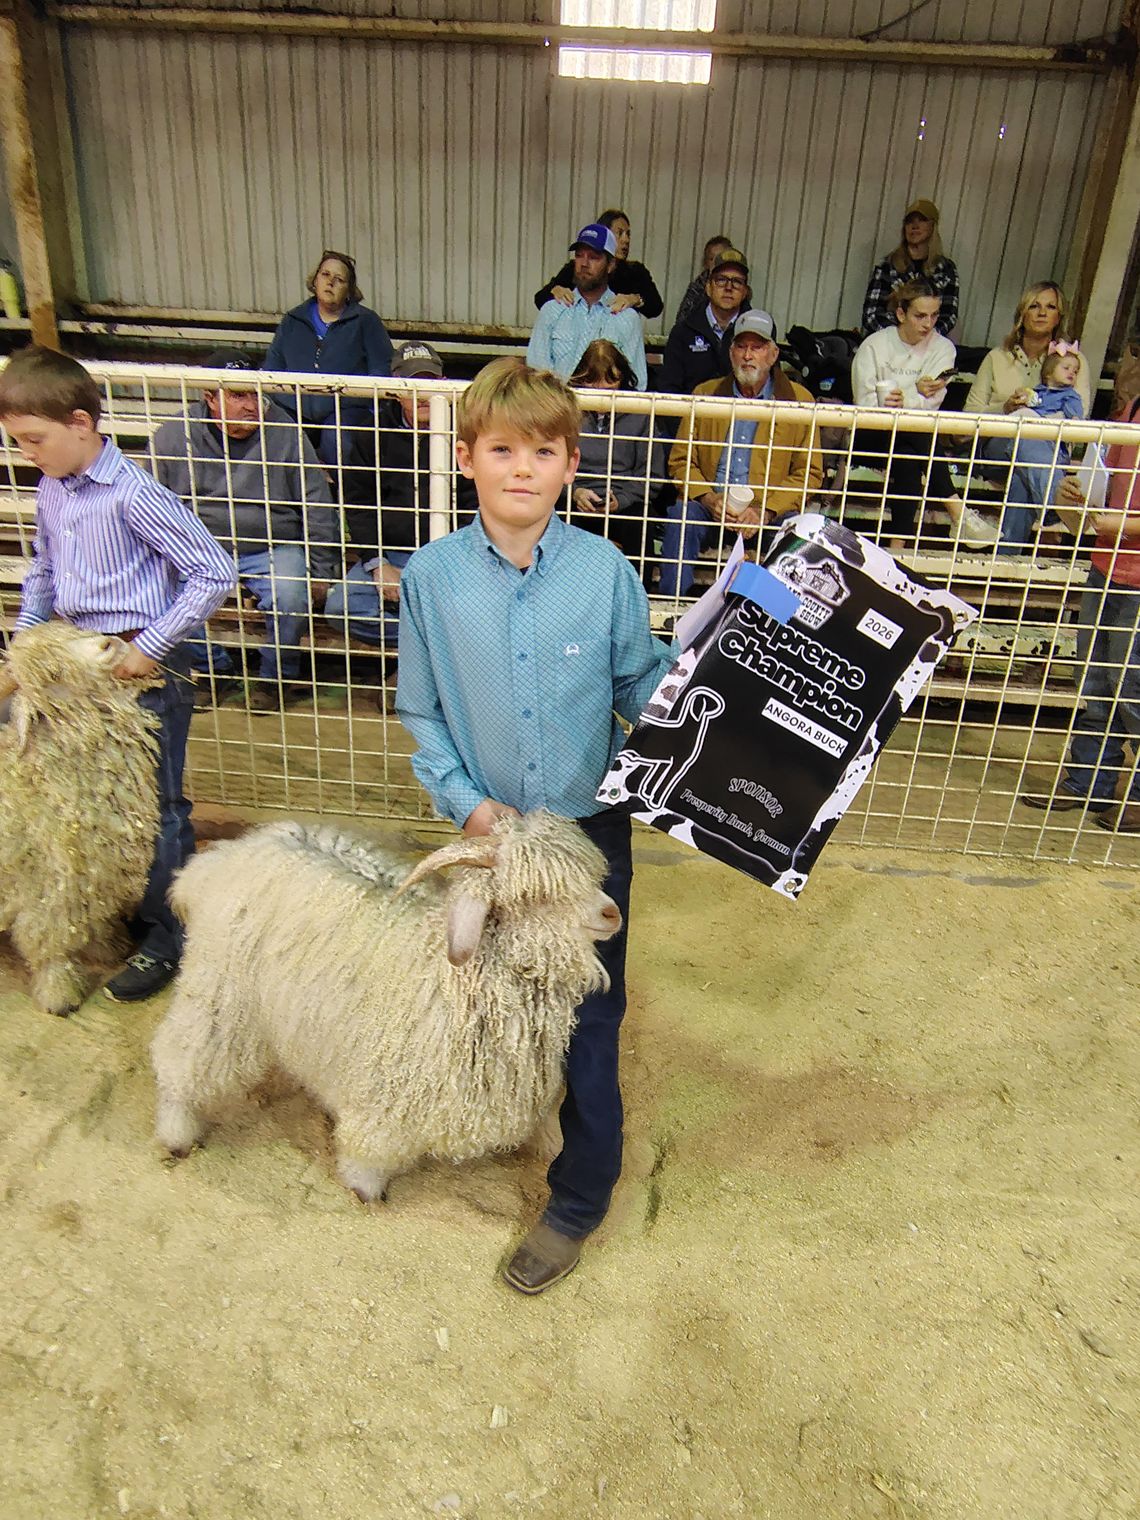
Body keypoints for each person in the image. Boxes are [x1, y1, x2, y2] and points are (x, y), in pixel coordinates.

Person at [395, 357, 674, 1294]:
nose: (523, 468)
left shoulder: (605, 572)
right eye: (503, 449)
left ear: (569, 463)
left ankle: (580, 1193)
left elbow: (642, 688)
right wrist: (467, 802)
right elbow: (423, 711)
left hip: (592, 836)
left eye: (543, 451)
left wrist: (719, 666)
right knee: (486, 989)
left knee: (593, 1010)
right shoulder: (432, 579)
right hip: (491, 839)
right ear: (466, 457)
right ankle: (486, 1119)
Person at [0, 346, 236, 1002]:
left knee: (158, 806)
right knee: (79, 799)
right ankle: (100, 907)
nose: (27, 454)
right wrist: (23, 651)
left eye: (34, 440)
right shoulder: (52, 489)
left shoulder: (134, 494)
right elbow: (43, 570)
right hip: (71, 669)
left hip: (138, 670)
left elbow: (214, 571)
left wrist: (152, 646)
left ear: (81, 424)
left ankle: (168, 932)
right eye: (18, 442)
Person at [153, 351, 339, 713]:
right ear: (209, 397)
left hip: (273, 544)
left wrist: (321, 570)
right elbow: (153, 504)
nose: (251, 405)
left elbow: (318, 504)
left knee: (290, 593)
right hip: (201, 547)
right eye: (238, 396)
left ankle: (276, 679)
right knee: (161, 589)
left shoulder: (284, 433)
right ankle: (214, 671)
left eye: (254, 393)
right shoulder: (175, 435)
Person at [1020, 434, 1140, 834]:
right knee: (1095, 682)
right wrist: (1073, 496)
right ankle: (1088, 782)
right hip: (1106, 567)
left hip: (1126, 571)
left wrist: (1118, 522)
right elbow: (1085, 511)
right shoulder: (1128, 414)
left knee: (1132, 688)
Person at [327, 340, 476, 655]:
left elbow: (473, 504)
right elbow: (359, 503)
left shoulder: (468, 432)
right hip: (393, 553)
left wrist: (452, 561)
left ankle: (414, 667)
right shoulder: (372, 432)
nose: (422, 392)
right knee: (341, 606)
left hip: (453, 554)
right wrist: (378, 564)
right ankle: (430, 657)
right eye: (412, 382)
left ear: (443, 384)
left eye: (429, 381)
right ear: (395, 388)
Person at [661, 310, 821, 596]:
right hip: (711, 508)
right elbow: (680, 460)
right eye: (741, 346)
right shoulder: (705, 394)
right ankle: (672, 608)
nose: (748, 355)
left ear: (773, 354)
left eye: (757, 347)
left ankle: (773, 624)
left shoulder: (799, 399)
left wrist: (765, 511)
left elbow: (809, 472)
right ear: (731, 352)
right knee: (681, 516)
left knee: (796, 532)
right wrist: (709, 498)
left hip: (768, 512)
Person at [850, 279, 992, 550]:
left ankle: (896, 548)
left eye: (934, 315)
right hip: (872, 434)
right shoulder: (874, 345)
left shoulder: (943, 349)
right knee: (914, 438)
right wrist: (912, 392)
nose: (928, 323)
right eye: (920, 316)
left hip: (913, 435)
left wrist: (904, 400)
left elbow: (932, 404)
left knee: (909, 454)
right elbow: (864, 402)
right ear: (901, 314)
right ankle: (957, 510)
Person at [962, 282, 1092, 552]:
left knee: (1023, 474)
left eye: (1050, 307)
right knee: (1023, 435)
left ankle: (1004, 566)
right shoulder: (997, 357)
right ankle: (1055, 501)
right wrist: (1004, 410)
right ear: (1023, 313)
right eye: (1034, 306)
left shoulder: (1072, 361)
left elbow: (1078, 421)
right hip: (1000, 449)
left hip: (1047, 454)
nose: (1042, 312)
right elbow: (966, 421)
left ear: (1059, 316)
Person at [264, 249, 393, 468]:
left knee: (337, 437)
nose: (330, 282)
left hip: (346, 411)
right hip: (294, 409)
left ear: (349, 290)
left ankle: (343, 497)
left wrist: (370, 407)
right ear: (314, 281)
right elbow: (273, 366)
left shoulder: (366, 322)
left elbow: (382, 369)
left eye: (339, 279)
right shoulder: (293, 320)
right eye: (325, 275)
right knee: (279, 435)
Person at [568, 339, 663, 558]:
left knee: (640, 522)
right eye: (593, 387)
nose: (602, 395)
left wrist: (621, 500)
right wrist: (574, 493)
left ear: (621, 380)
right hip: (575, 500)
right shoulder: (565, 412)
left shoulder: (641, 415)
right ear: (581, 381)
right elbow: (548, 468)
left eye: (609, 387)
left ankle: (639, 592)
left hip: (624, 501)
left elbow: (652, 476)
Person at [527, 223, 647, 390]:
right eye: (579, 255)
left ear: (611, 265)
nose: (584, 263)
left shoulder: (626, 318)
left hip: (607, 413)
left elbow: (638, 384)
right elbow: (536, 377)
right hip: (558, 412)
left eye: (593, 257)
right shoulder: (552, 311)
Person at [997, 343, 1086, 554]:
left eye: (1075, 371)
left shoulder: (1070, 396)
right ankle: (1053, 505)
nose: (1072, 374)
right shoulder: (1035, 392)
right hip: (1020, 444)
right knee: (1026, 435)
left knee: (1021, 481)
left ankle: (1004, 558)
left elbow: (1075, 420)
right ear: (1048, 372)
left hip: (1049, 449)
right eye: (1066, 368)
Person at [534, 209, 663, 321]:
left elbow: (656, 307)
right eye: (620, 233)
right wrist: (555, 291)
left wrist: (634, 299)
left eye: (628, 234)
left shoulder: (635, 272)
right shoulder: (578, 268)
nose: (626, 240)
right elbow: (540, 298)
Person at [658, 248, 751, 396]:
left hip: (742, 417)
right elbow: (668, 391)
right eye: (721, 280)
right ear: (708, 287)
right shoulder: (682, 332)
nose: (728, 287)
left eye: (737, 282)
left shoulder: (757, 335)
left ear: (745, 291)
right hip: (691, 416)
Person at [861, 199, 959, 337]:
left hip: (928, 343)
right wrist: (901, 337)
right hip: (889, 340)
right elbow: (871, 315)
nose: (915, 226)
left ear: (933, 226)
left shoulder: (946, 269)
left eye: (922, 220)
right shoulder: (887, 266)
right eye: (910, 221)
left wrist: (926, 337)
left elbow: (948, 316)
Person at [673, 233, 736, 328]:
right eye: (711, 259)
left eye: (721, 258)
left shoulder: (737, 288)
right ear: (705, 263)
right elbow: (682, 319)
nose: (716, 263)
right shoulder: (697, 288)